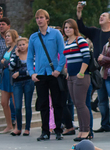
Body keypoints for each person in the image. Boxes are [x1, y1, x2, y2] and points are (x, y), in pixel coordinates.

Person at [27, 9, 66, 141]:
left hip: (53, 73)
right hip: (40, 74)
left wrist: (59, 69)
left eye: (41, 17)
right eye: (37, 18)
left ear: (47, 19)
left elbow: (63, 52)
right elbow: (29, 57)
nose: (39, 20)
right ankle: (45, 131)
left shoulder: (55, 34)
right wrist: (32, 73)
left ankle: (58, 130)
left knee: (57, 102)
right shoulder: (33, 37)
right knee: (43, 103)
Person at [76, 2, 110, 134]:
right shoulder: (96, 33)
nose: (101, 17)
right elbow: (81, 28)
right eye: (100, 16)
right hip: (99, 71)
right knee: (102, 99)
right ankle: (105, 124)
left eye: (104, 15)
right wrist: (79, 13)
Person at [62, 18, 91, 141]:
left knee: (81, 103)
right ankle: (81, 130)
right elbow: (67, 59)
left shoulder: (80, 40)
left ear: (75, 29)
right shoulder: (67, 42)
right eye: (66, 27)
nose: (67, 29)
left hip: (81, 76)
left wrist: (81, 72)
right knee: (76, 104)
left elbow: (86, 57)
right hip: (71, 76)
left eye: (70, 27)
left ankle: (86, 130)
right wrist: (67, 72)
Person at [9, 37, 33, 136]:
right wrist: (16, 56)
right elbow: (10, 67)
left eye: (24, 44)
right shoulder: (15, 54)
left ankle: (27, 128)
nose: (22, 47)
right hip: (17, 83)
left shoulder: (31, 54)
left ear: (27, 44)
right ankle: (18, 127)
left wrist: (20, 72)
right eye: (20, 45)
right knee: (17, 106)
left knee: (28, 105)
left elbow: (32, 69)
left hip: (28, 81)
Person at [0, 29, 18, 134]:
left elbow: (13, 62)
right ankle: (9, 125)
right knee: (3, 102)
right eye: (6, 36)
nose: (6, 38)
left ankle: (18, 126)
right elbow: (0, 63)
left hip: (13, 77)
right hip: (5, 77)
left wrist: (5, 62)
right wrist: (5, 63)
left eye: (9, 36)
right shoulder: (6, 49)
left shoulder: (16, 49)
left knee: (15, 102)